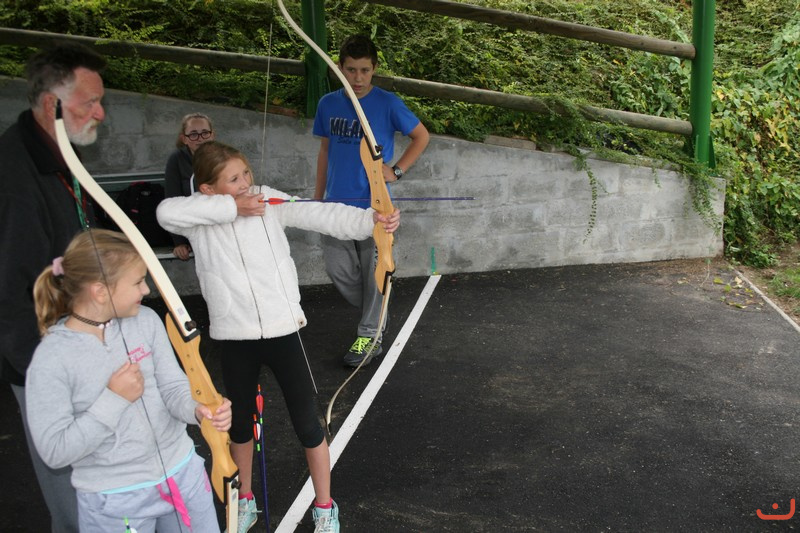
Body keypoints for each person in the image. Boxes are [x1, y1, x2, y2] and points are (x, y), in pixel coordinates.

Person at [157, 141, 400, 533]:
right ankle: (244, 501)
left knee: (308, 425)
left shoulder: (266, 200)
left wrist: (372, 220)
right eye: (233, 179)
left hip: (284, 333)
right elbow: (165, 212)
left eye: (246, 174)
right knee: (239, 428)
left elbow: (316, 213)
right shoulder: (198, 218)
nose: (245, 183)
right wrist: (233, 207)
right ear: (207, 189)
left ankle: (325, 507)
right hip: (234, 339)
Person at [26, 229, 233, 532]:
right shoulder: (52, 358)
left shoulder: (145, 320)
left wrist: (198, 410)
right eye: (137, 282)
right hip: (114, 501)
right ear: (100, 291)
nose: (146, 289)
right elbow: (55, 451)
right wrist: (115, 399)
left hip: (183, 476)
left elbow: (172, 387)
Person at [0, 41, 107, 533]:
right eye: (91, 102)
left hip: (80, 341)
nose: (100, 113)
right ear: (52, 105)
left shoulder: (61, 153)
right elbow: (10, 289)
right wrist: (45, 374)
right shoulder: (12, 174)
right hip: (46, 358)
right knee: (72, 486)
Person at [313, 34, 430, 367]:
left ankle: (370, 334)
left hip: (375, 208)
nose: (358, 78)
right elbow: (324, 152)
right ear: (340, 68)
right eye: (351, 70)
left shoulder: (388, 103)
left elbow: (421, 136)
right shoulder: (328, 104)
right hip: (336, 207)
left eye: (365, 70)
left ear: (374, 69)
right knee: (339, 272)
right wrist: (317, 199)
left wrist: (398, 170)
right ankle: (377, 312)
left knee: (374, 274)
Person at [164, 113, 216, 260]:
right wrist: (179, 242)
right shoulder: (176, 160)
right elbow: (172, 201)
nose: (200, 138)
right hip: (192, 229)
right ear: (184, 139)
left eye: (205, 133)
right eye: (193, 134)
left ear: (212, 135)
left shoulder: (223, 157)